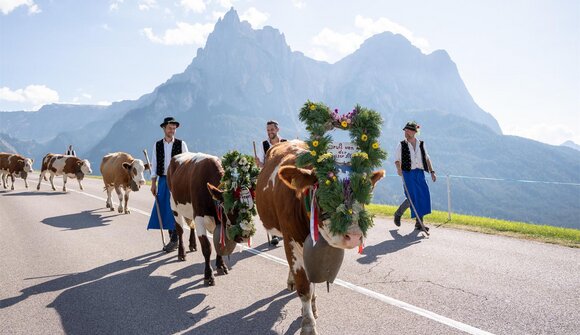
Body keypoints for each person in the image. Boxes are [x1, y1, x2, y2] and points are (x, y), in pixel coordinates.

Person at [148, 116, 189, 252]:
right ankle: (172, 236)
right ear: (164, 128)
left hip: (177, 180)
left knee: (175, 209)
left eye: (174, 128)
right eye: (170, 128)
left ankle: (175, 239)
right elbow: (154, 165)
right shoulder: (157, 145)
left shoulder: (181, 144)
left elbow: (187, 163)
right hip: (164, 179)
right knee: (165, 208)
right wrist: (153, 183)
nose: (172, 130)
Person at [393, 121, 436, 231]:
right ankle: (398, 214)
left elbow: (427, 158)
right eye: (405, 130)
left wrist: (432, 171)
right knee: (412, 197)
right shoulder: (401, 144)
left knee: (423, 195)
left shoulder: (421, 144)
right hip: (408, 173)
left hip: (420, 173)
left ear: (413, 132)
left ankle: (419, 223)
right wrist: (399, 170)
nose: (405, 132)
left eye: (407, 130)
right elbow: (397, 160)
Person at [254, 120, 286, 246]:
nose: (269, 132)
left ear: (277, 130)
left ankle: (284, 228)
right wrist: (258, 163)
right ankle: (274, 234)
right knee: (272, 205)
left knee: (284, 204)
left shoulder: (285, 143)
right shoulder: (264, 144)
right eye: (268, 130)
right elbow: (262, 165)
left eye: (272, 130)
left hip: (283, 178)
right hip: (269, 180)